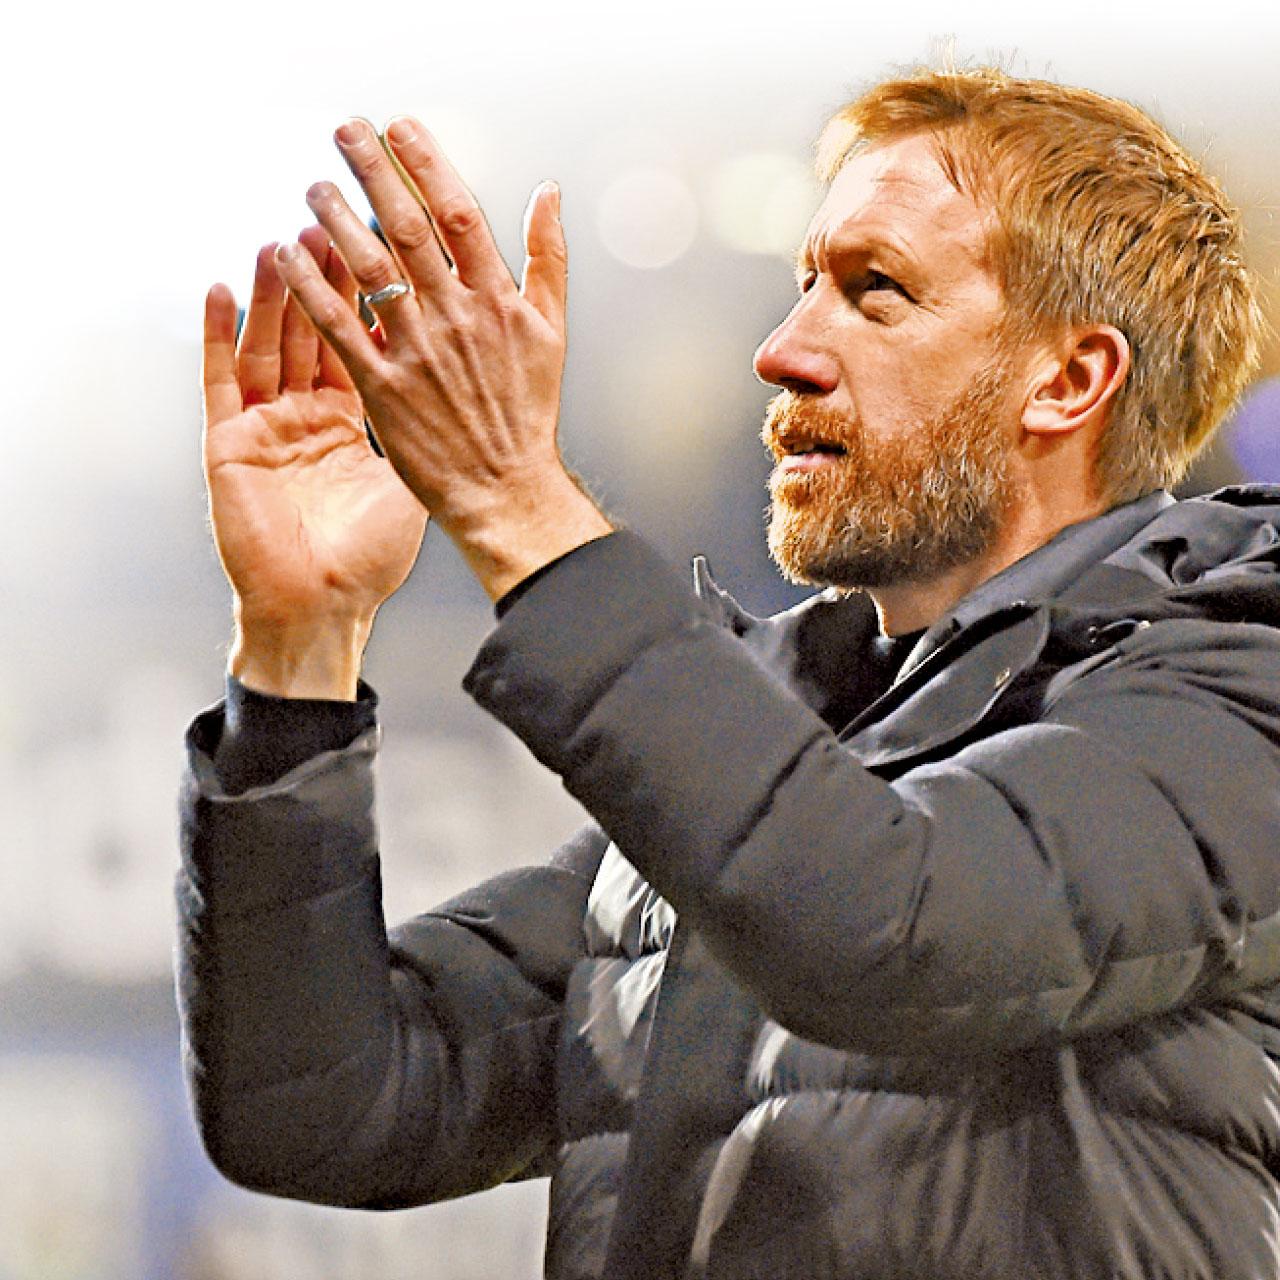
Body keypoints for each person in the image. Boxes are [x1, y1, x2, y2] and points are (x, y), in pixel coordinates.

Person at [177, 65, 1280, 1280]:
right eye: (803, 286)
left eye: (874, 291)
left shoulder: (1236, 683)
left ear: (1066, 380)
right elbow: (323, 1103)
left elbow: (889, 924)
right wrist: (299, 645)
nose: (782, 350)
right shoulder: (782, 759)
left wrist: (515, 503)